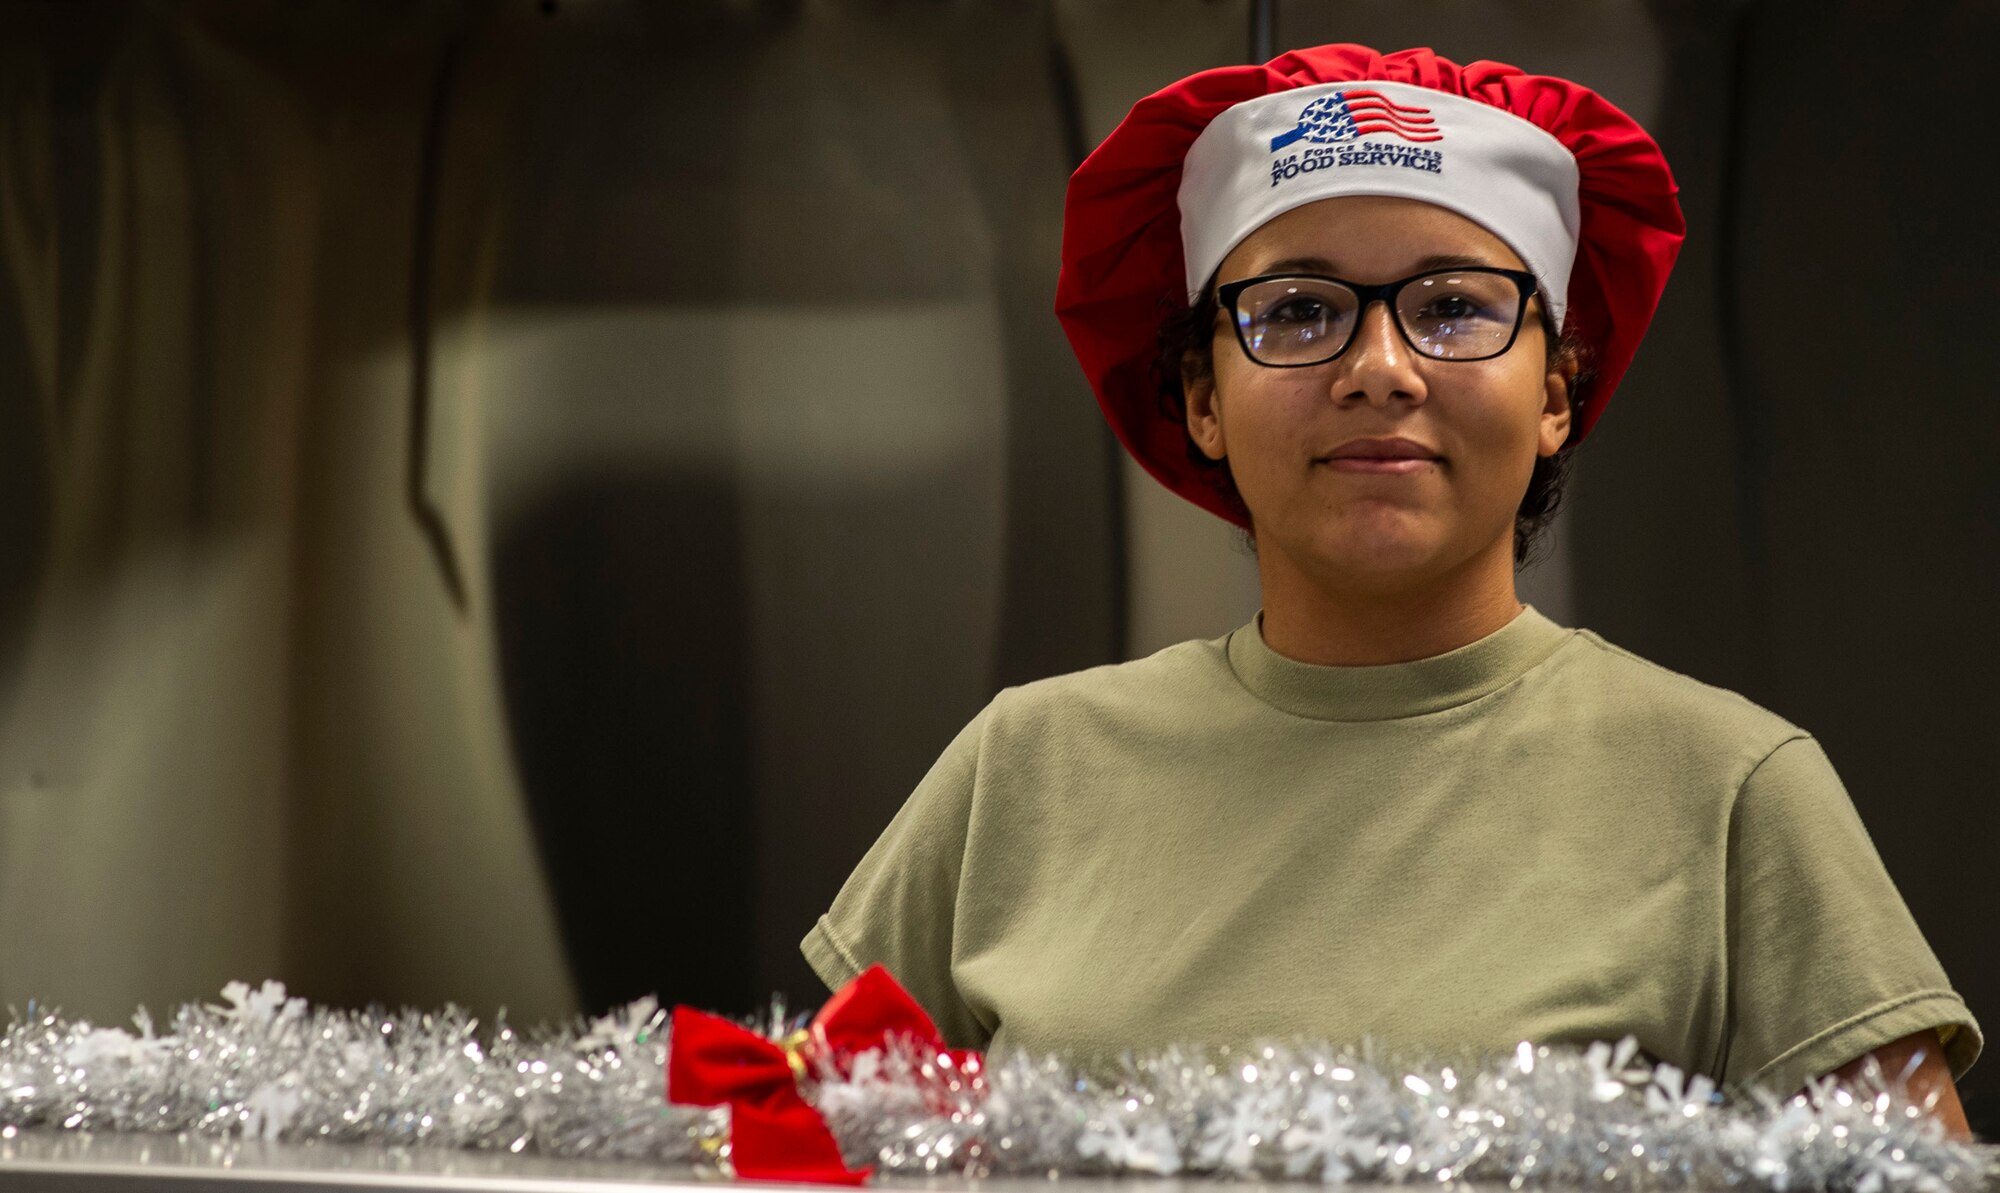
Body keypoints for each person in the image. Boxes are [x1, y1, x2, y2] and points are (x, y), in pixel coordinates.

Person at [800, 44, 1980, 1137]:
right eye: (1300, 309)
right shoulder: (1022, 768)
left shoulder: (1730, 792)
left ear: (1556, 392)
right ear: (1200, 400)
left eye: (1455, 306)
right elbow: (799, 1152)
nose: (1379, 369)